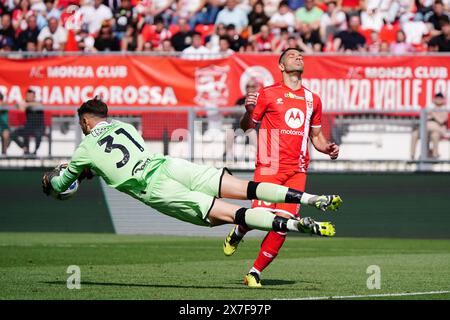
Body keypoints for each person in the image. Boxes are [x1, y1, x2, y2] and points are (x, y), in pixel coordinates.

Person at [42, 97, 342, 250]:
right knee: (245, 188)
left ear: (84, 121)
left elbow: (62, 183)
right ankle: (311, 198)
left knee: (226, 215)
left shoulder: (84, 148)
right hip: (170, 164)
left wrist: (52, 181)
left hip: (155, 186)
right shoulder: (124, 125)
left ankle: (292, 225)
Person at [223, 47, 340, 288]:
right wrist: (247, 111)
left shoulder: (313, 99)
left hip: (297, 170)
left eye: (301, 55)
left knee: (284, 224)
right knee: (262, 218)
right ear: (281, 66)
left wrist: (327, 147)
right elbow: (247, 126)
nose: (298, 57)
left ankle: (254, 272)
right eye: (292, 55)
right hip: (270, 165)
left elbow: (316, 137)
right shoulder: (267, 94)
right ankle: (239, 230)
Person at [223, 78, 260, 161]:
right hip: (240, 126)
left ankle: (259, 155)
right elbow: (233, 113)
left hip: (255, 127)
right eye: (248, 86)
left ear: (257, 88)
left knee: (251, 132)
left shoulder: (261, 99)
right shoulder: (240, 100)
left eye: (252, 86)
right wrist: (242, 109)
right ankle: (227, 155)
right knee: (229, 132)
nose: (250, 88)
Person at [411, 92, 448, 160]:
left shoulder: (444, 109)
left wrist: (433, 114)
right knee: (415, 134)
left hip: (438, 128)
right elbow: (423, 118)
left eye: (440, 99)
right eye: (437, 98)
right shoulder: (430, 107)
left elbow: (441, 121)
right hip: (426, 129)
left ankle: (434, 154)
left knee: (434, 134)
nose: (438, 100)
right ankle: (412, 155)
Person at [10, 88, 45, 156]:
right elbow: (18, 107)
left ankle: (34, 152)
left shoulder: (38, 103)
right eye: (28, 96)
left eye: (31, 96)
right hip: (29, 127)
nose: (29, 97)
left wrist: (26, 104)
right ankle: (25, 148)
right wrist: (20, 104)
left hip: (38, 127)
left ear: (34, 97)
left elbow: (39, 105)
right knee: (13, 134)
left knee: (38, 135)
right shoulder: (25, 103)